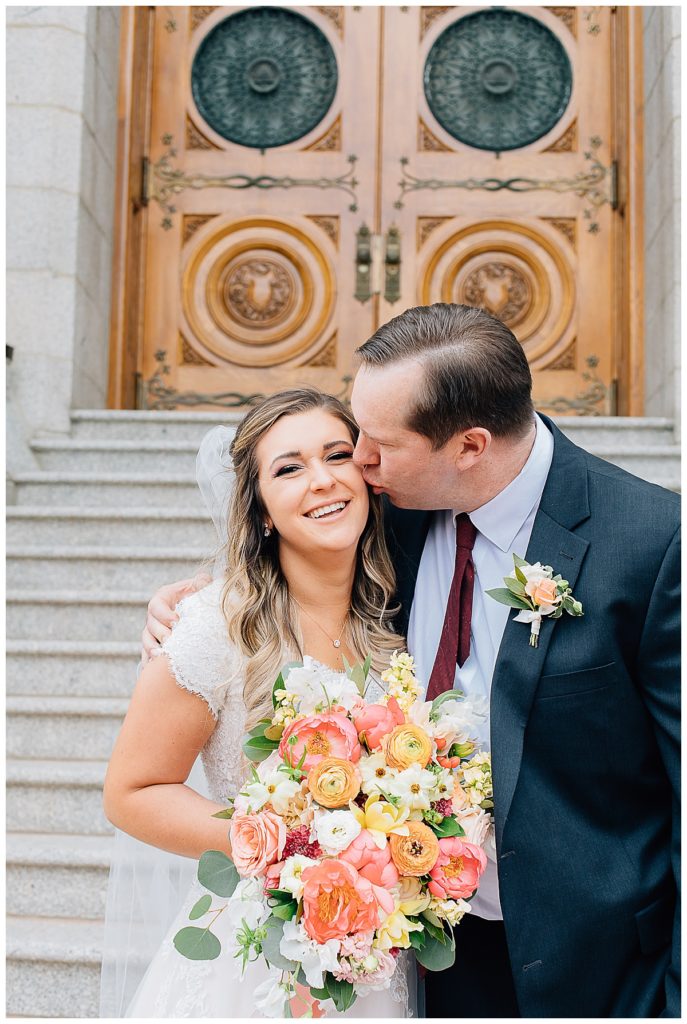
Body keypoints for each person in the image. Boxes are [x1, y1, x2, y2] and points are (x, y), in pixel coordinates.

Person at [144, 303, 680, 1018]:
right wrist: (196, 606)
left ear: (468, 446)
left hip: (603, 973)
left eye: (376, 442)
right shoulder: (393, 511)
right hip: (422, 962)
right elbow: (289, 569)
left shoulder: (651, 542)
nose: (356, 463)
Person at [102, 387, 415, 1018]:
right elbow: (131, 792)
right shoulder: (213, 627)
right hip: (255, 949)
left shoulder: (402, 608)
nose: (323, 481)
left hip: (379, 943)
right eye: (289, 469)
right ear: (262, 510)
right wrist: (285, 846)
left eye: (338, 454)